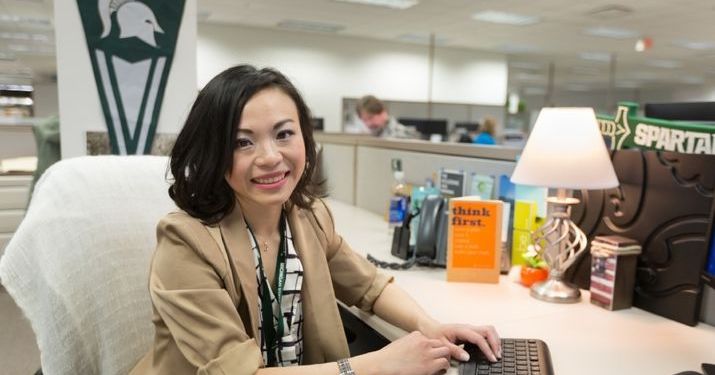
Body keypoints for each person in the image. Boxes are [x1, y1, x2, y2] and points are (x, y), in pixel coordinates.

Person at [130, 65, 501, 375]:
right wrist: (374, 365)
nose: (270, 156)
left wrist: (430, 325)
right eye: (244, 142)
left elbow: (368, 286)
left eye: (284, 134)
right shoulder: (186, 243)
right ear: (214, 152)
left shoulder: (307, 216)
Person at [346, 95, 421, 139]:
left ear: (383, 113)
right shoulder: (375, 136)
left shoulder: (402, 136)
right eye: (364, 120)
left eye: (370, 118)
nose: (368, 124)